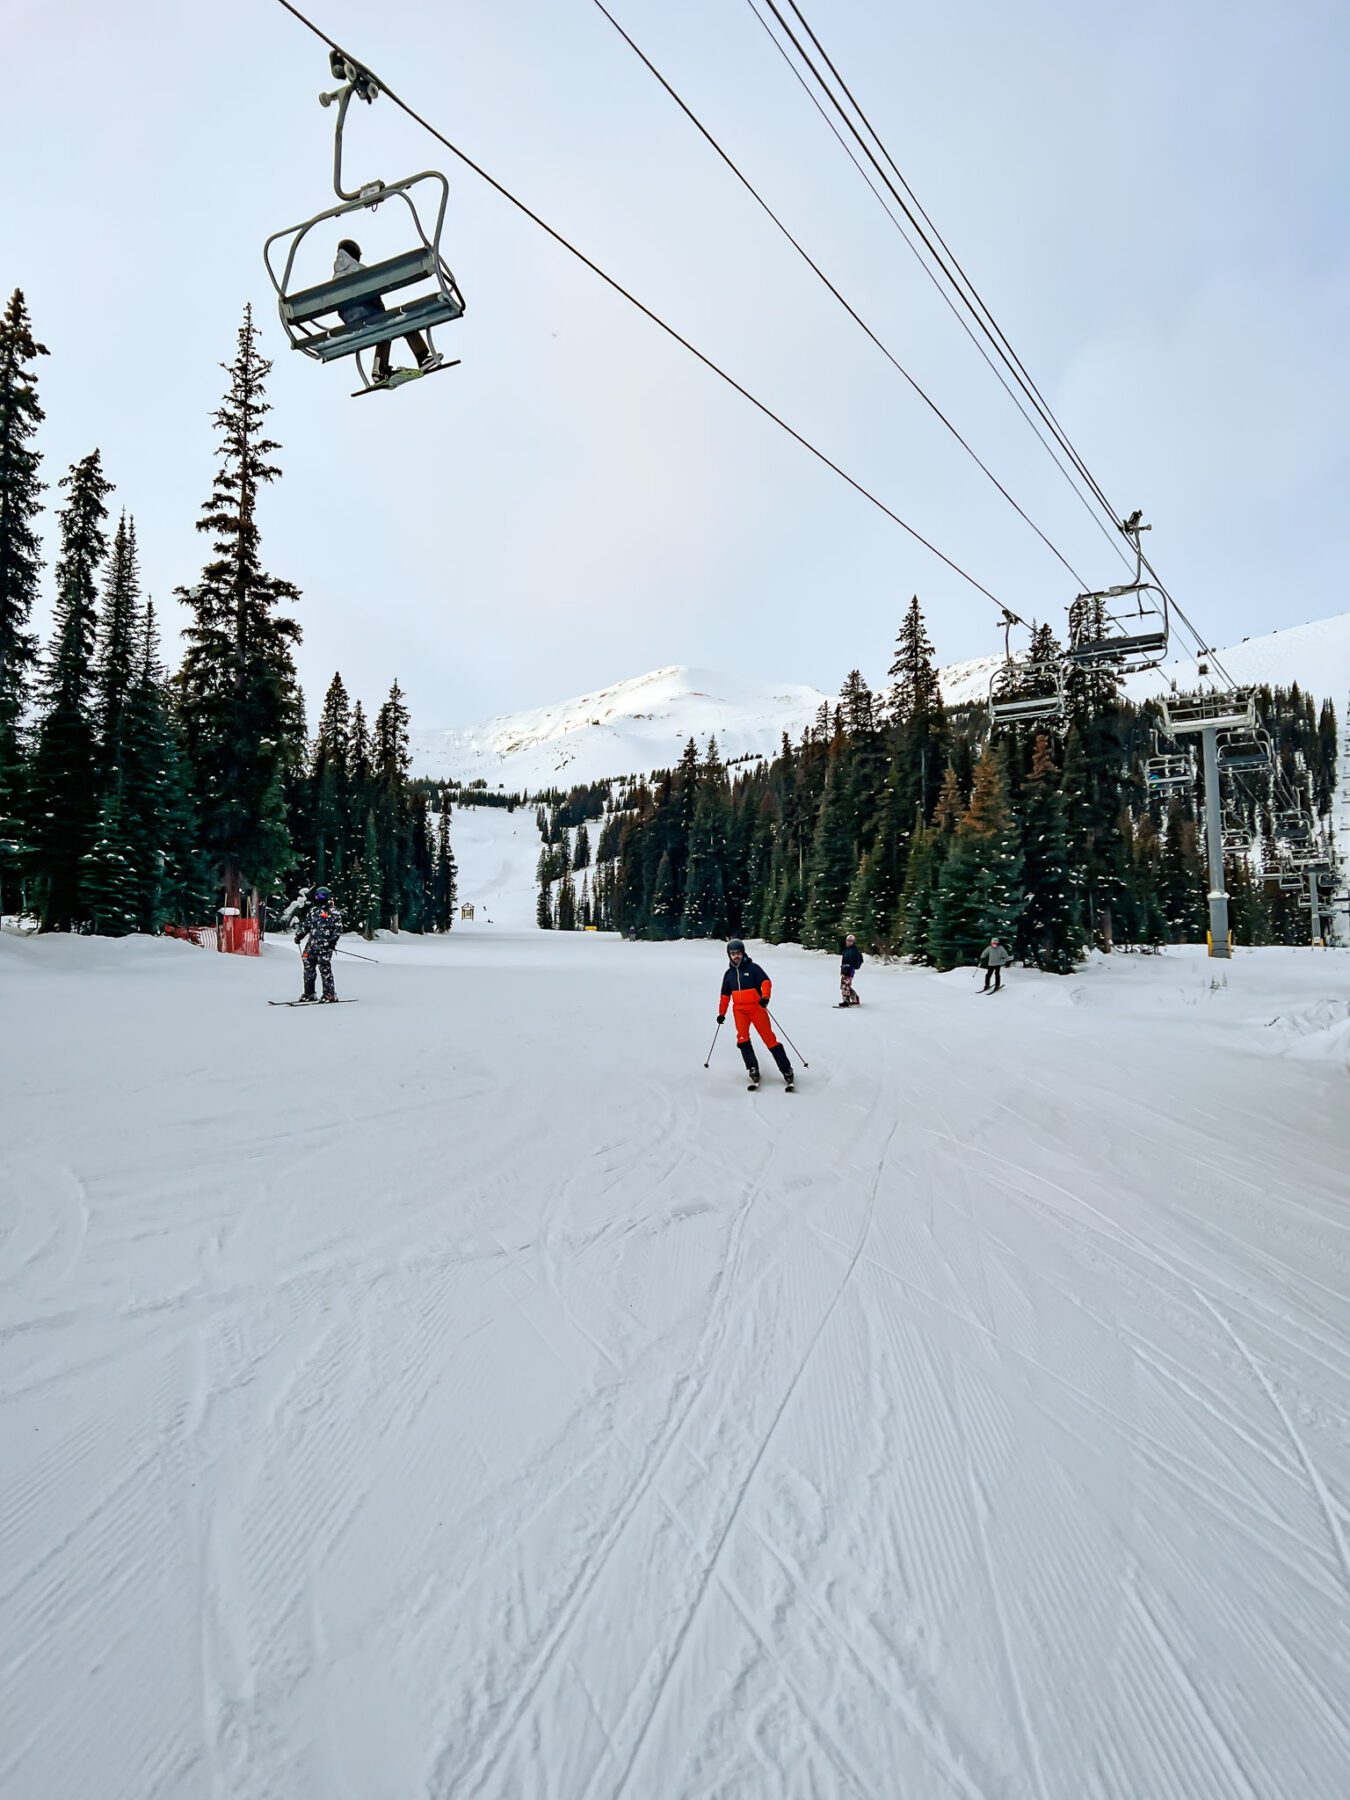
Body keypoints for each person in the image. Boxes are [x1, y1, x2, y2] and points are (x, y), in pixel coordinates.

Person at [333, 239, 443, 385]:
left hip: (352, 324)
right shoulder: (359, 270)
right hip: (370, 315)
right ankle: (422, 356)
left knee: (384, 331)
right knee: (404, 318)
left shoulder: (335, 279)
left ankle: (380, 369)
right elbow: (380, 284)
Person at [717, 939, 794, 1090]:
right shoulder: (729, 974)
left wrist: (765, 997)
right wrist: (721, 1013)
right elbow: (725, 995)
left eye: (738, 953)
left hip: (756, 1008)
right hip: (739, 1010)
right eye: (733, 954)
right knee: (742, 1038)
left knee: (769, 1038)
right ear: (729, 955)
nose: (736, 956)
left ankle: (786, 1069)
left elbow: (766, 982)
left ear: (743, 953)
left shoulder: (753, 968)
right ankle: (752, 1068)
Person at [295, 887, 344, 1002]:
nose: (319, 899)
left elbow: (337, 930)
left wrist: (332, 942)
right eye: (317, 896)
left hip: (325, 946)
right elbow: (306, 925)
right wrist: (299, 935)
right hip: (311, 945)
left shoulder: (334, 913)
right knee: (308, 968)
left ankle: (329, 994)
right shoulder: (314, 911)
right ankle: (309, 993)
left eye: (321, 896)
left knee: (324, 969)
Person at [839, 933, 863, 1007]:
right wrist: (842, 968)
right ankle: (855, 999)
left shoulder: (854, 950)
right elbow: (844, 960)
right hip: (844, 970)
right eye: (848, 940)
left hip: (850, 970)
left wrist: (852, 967)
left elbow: (856, 961)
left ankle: (846, 1001)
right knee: (845, 985)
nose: (849, 942)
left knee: (845, 985)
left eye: (851, 941)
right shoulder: (846, 949)